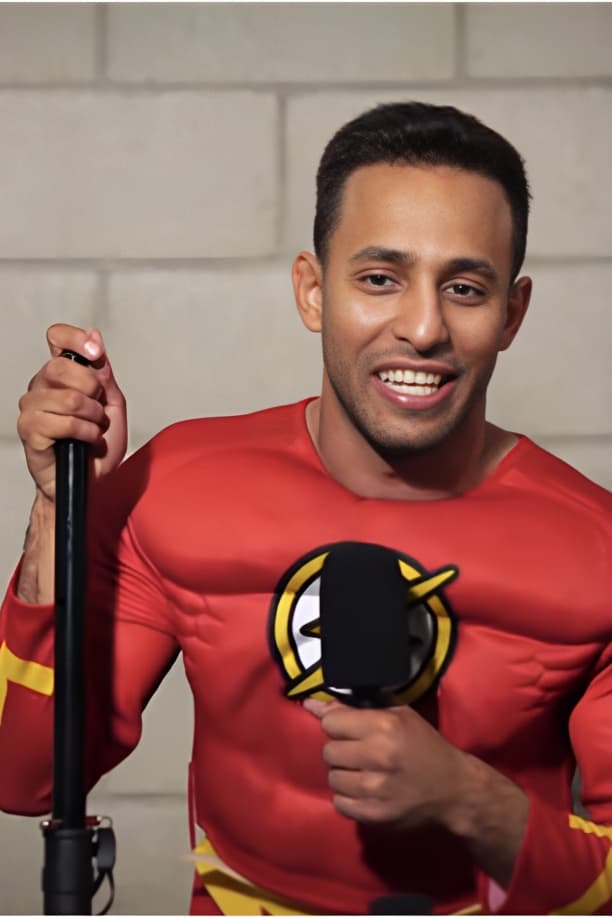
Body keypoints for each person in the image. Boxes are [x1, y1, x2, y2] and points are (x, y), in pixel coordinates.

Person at [0, 101, 611, 916]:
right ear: (314, 291)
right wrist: (61, 508)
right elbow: (25, 776)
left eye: (465, 288)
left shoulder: (594, 553)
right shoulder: (181, 489)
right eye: (380, 279)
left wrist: (472, 799)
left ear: (512, 314)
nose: (423, 327)